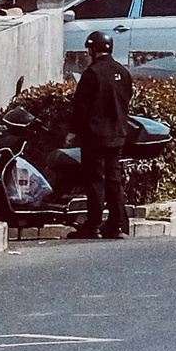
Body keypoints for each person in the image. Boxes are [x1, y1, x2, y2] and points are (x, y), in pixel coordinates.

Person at [72, 29, 134, 241]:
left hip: (95, 136)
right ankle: (117, 225)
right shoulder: (123, 72)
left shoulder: (92, 74)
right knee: (114, 180)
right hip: (117, 134)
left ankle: (93, 225)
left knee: (95, 180)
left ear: (92, 49)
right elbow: (127, 100)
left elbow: (80, 108)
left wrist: (74, 132)